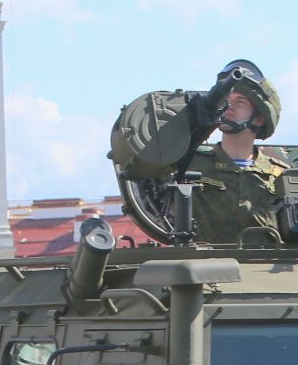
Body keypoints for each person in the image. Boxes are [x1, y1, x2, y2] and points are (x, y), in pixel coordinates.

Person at [116, 60, 288, 246]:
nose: (229, 107)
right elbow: (139, 172)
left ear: (261, 118)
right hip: (205, 266)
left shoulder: (280, 175)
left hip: (267, 268)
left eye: (240, 102)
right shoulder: (187, 161)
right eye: (226, 101)